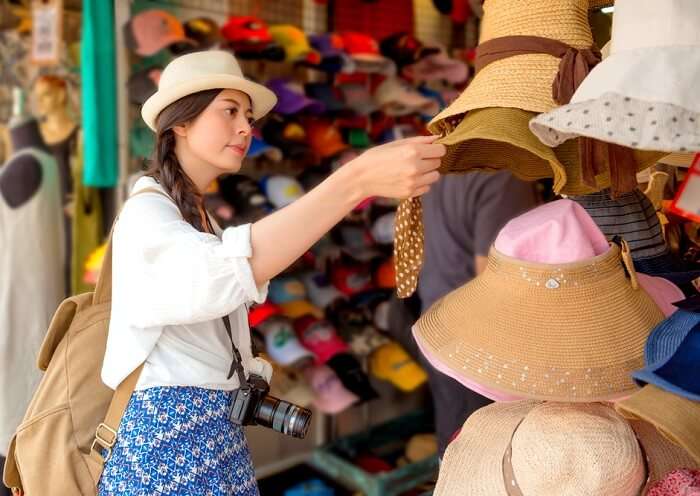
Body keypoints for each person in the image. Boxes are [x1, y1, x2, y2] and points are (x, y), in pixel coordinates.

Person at [97, 50, 444, 496]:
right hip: (170, 444)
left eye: (247, 115)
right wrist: (355, 180)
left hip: (202, 436)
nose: (246, 127)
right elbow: (220, 276)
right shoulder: (148, 213)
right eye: (229, 111)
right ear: (179, 123)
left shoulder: (193, 215)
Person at [417, 172, 539, 456]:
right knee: (483, 455)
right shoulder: (503, 177)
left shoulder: (443, 165)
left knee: (457, 449)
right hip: (478, 344)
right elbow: (495, 278)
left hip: (437, 326)